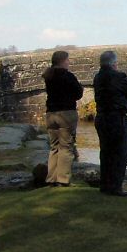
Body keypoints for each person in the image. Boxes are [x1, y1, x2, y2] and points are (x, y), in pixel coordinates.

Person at [93, 50, 127, 196]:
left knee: (105, 152)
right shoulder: (117, 77)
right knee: (119, 153)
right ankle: (116, 186)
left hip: (101, 117)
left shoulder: (98, 78)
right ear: (114, 64)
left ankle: (105, 184)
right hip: (116, 117)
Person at [42, 51, 83, 187]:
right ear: (62, 61)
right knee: (66, 147)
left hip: (50, 114)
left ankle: (51, 179)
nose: (69, 62)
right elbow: (78, 93)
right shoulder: (68, 76)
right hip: (66, 114)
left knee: (54, 147)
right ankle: (63, 180)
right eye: (67, 60)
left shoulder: (48, 76)